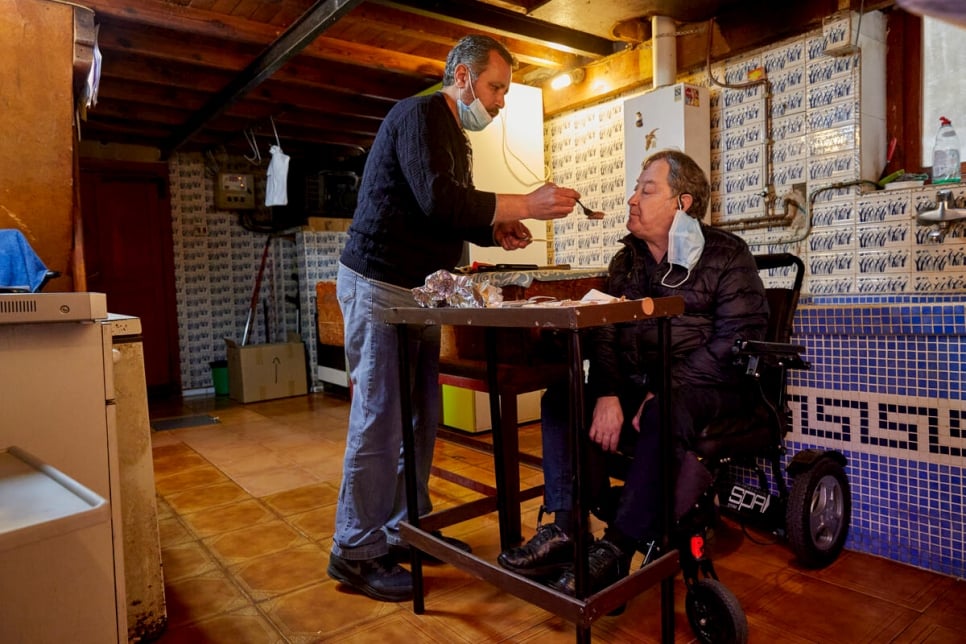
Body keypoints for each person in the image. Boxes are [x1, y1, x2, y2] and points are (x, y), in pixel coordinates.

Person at [328, 34, 580, 603]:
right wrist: (527, 203)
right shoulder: (418, 114)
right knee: (379, 418)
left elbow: (442, 212)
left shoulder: (452, 135)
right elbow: (439, 199)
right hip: (377, 284)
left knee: (419, 417)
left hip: (415, 292)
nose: (498, 102)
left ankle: (404, 530)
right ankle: (355, 549)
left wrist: (493, 227)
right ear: (462, 78)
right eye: (495, 88)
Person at [497, 149, 769, 595]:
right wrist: (606, 394)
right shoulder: (629, 262)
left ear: (682, 204)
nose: (631, 200)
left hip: (714, 387)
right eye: (635, 190)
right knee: (562, 398)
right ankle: (568, 526)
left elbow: (735, 341)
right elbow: (605, 333)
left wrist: (661, 389)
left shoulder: (725, 254)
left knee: (665, 409)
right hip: (647, 387)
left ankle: (619, 548)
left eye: (647, 190)